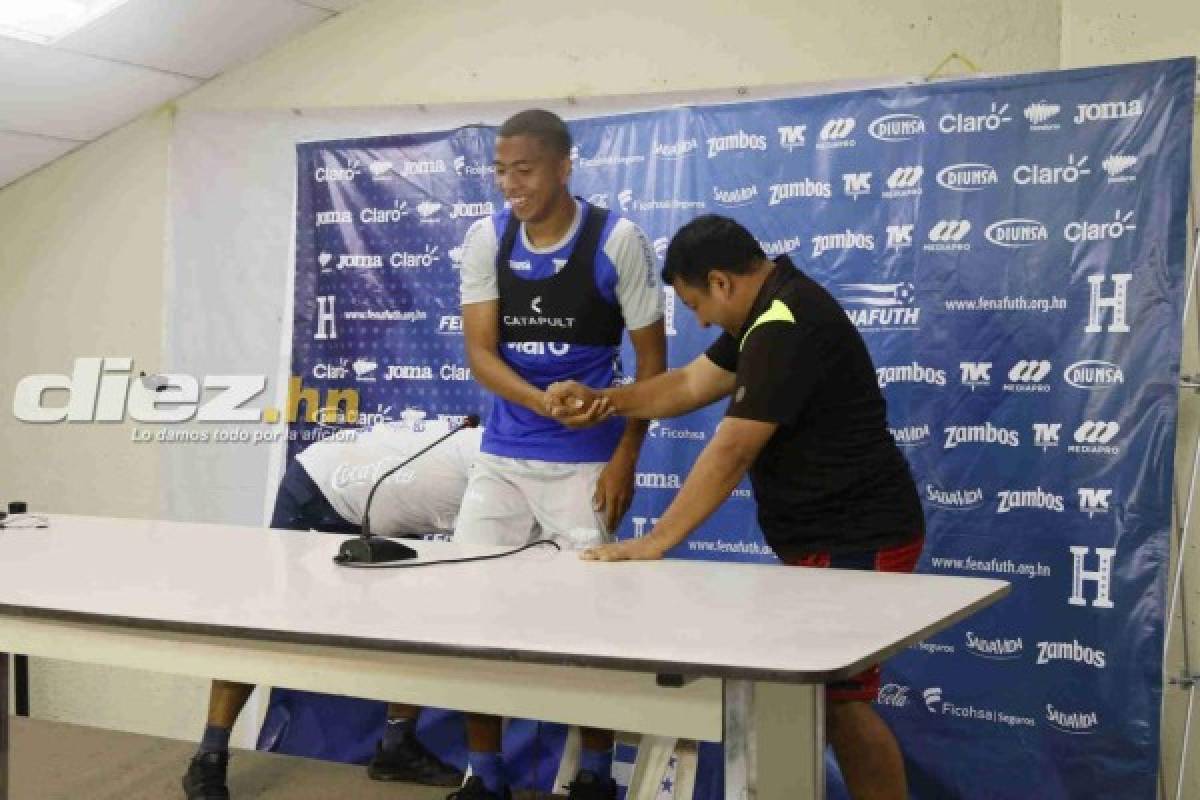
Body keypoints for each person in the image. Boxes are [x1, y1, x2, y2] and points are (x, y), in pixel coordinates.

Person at [546, 215, 925, 800]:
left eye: (697, 303)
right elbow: (688, 385)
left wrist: (654, 541)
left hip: (859, 536)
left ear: (721, 281)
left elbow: (730, 451)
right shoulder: (766, 310)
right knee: (823, 702)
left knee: (836, 704)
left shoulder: (784, 321)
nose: (699, 320)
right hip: (829, 537)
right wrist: (605, 400)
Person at [448, 108, 667, 800]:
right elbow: (482, 355)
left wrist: (626, 456)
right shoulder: (487, 237)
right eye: (502, 170)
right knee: (474, 616)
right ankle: (485, 776)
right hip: (504, 458)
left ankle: (595, 778)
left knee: (591, 627)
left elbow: (655, 369)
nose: (512, 183)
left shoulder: (618, 240)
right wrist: (540, 402)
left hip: (587, 465)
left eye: (526, 169)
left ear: (564, 167)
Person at [182, 414, 481, 799]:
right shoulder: (499, 467)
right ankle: (209, 756)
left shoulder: (516, 465)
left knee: (413, 622)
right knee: (267, 622)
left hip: (384, 510)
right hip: (323, 486)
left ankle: (396, 747)